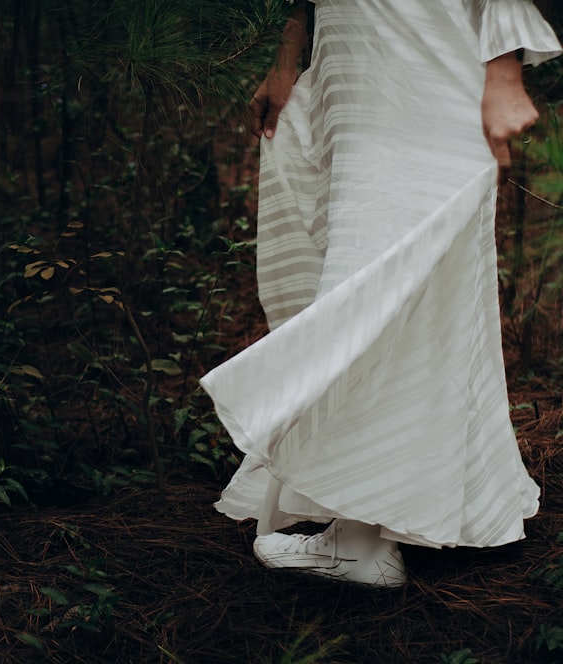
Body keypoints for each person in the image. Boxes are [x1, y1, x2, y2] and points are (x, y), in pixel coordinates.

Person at [200, 0, 562, 587]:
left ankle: (362, 539)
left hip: (418, 49)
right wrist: (287, 57)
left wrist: (503, 70)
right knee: (386, 264)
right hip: (355, 57)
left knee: (390, 264)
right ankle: (441, 503)